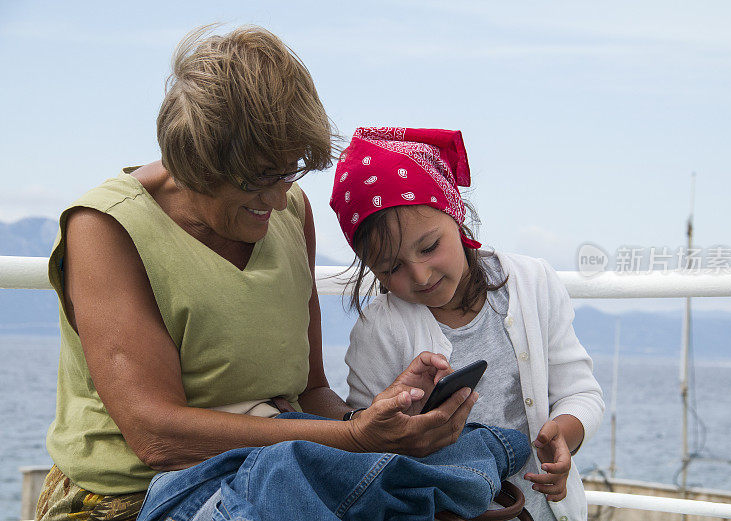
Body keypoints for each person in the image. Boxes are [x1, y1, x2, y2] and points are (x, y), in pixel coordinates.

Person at [35, 28, 483, 521]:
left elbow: (312, 391)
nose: (276, 199)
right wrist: (353, 439)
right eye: (256, 181)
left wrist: (380, 422)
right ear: (194, 162)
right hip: (145, 493)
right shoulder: (106, 228)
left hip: (273, 469)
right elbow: (156, 437)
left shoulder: (290, 208)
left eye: (288, 172)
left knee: (482, 450)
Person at [330, 127, 606, 521]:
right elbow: (365, 440)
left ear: (455, 213)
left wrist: (563, 433)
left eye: (429, 247)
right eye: (392, 268)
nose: (421, 275)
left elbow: (581, 392)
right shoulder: (380, 327)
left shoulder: (533, 283)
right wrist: (397, 420)